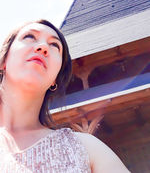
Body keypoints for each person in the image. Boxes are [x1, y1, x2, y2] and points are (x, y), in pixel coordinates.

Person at [0, 19, 130, 172]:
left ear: (55, 78)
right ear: (4, 60)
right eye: (29, 37)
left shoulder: (86, 149)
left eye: (54, 45)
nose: (43, 47)